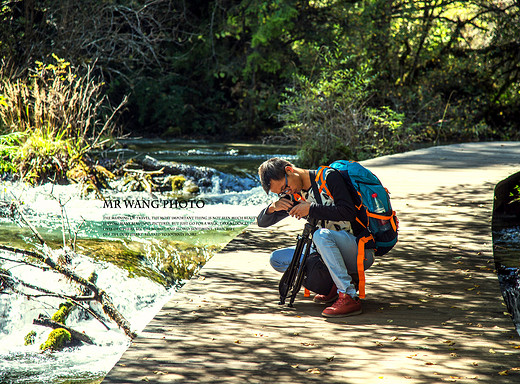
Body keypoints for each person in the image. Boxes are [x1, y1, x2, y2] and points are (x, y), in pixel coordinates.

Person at [257, 157, 375, 317]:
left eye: (285, 187)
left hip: (357, 251)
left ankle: (349, 296)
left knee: (320, 235)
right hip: (326, 251)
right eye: (281, 192)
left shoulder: (329, 177)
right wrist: (273, 207)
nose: (287, 192)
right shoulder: (295, 195)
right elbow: (262, 222)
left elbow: (349, 212)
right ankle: (331, 286)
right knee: (277, 259)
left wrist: (311, 209)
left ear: (289, 170)